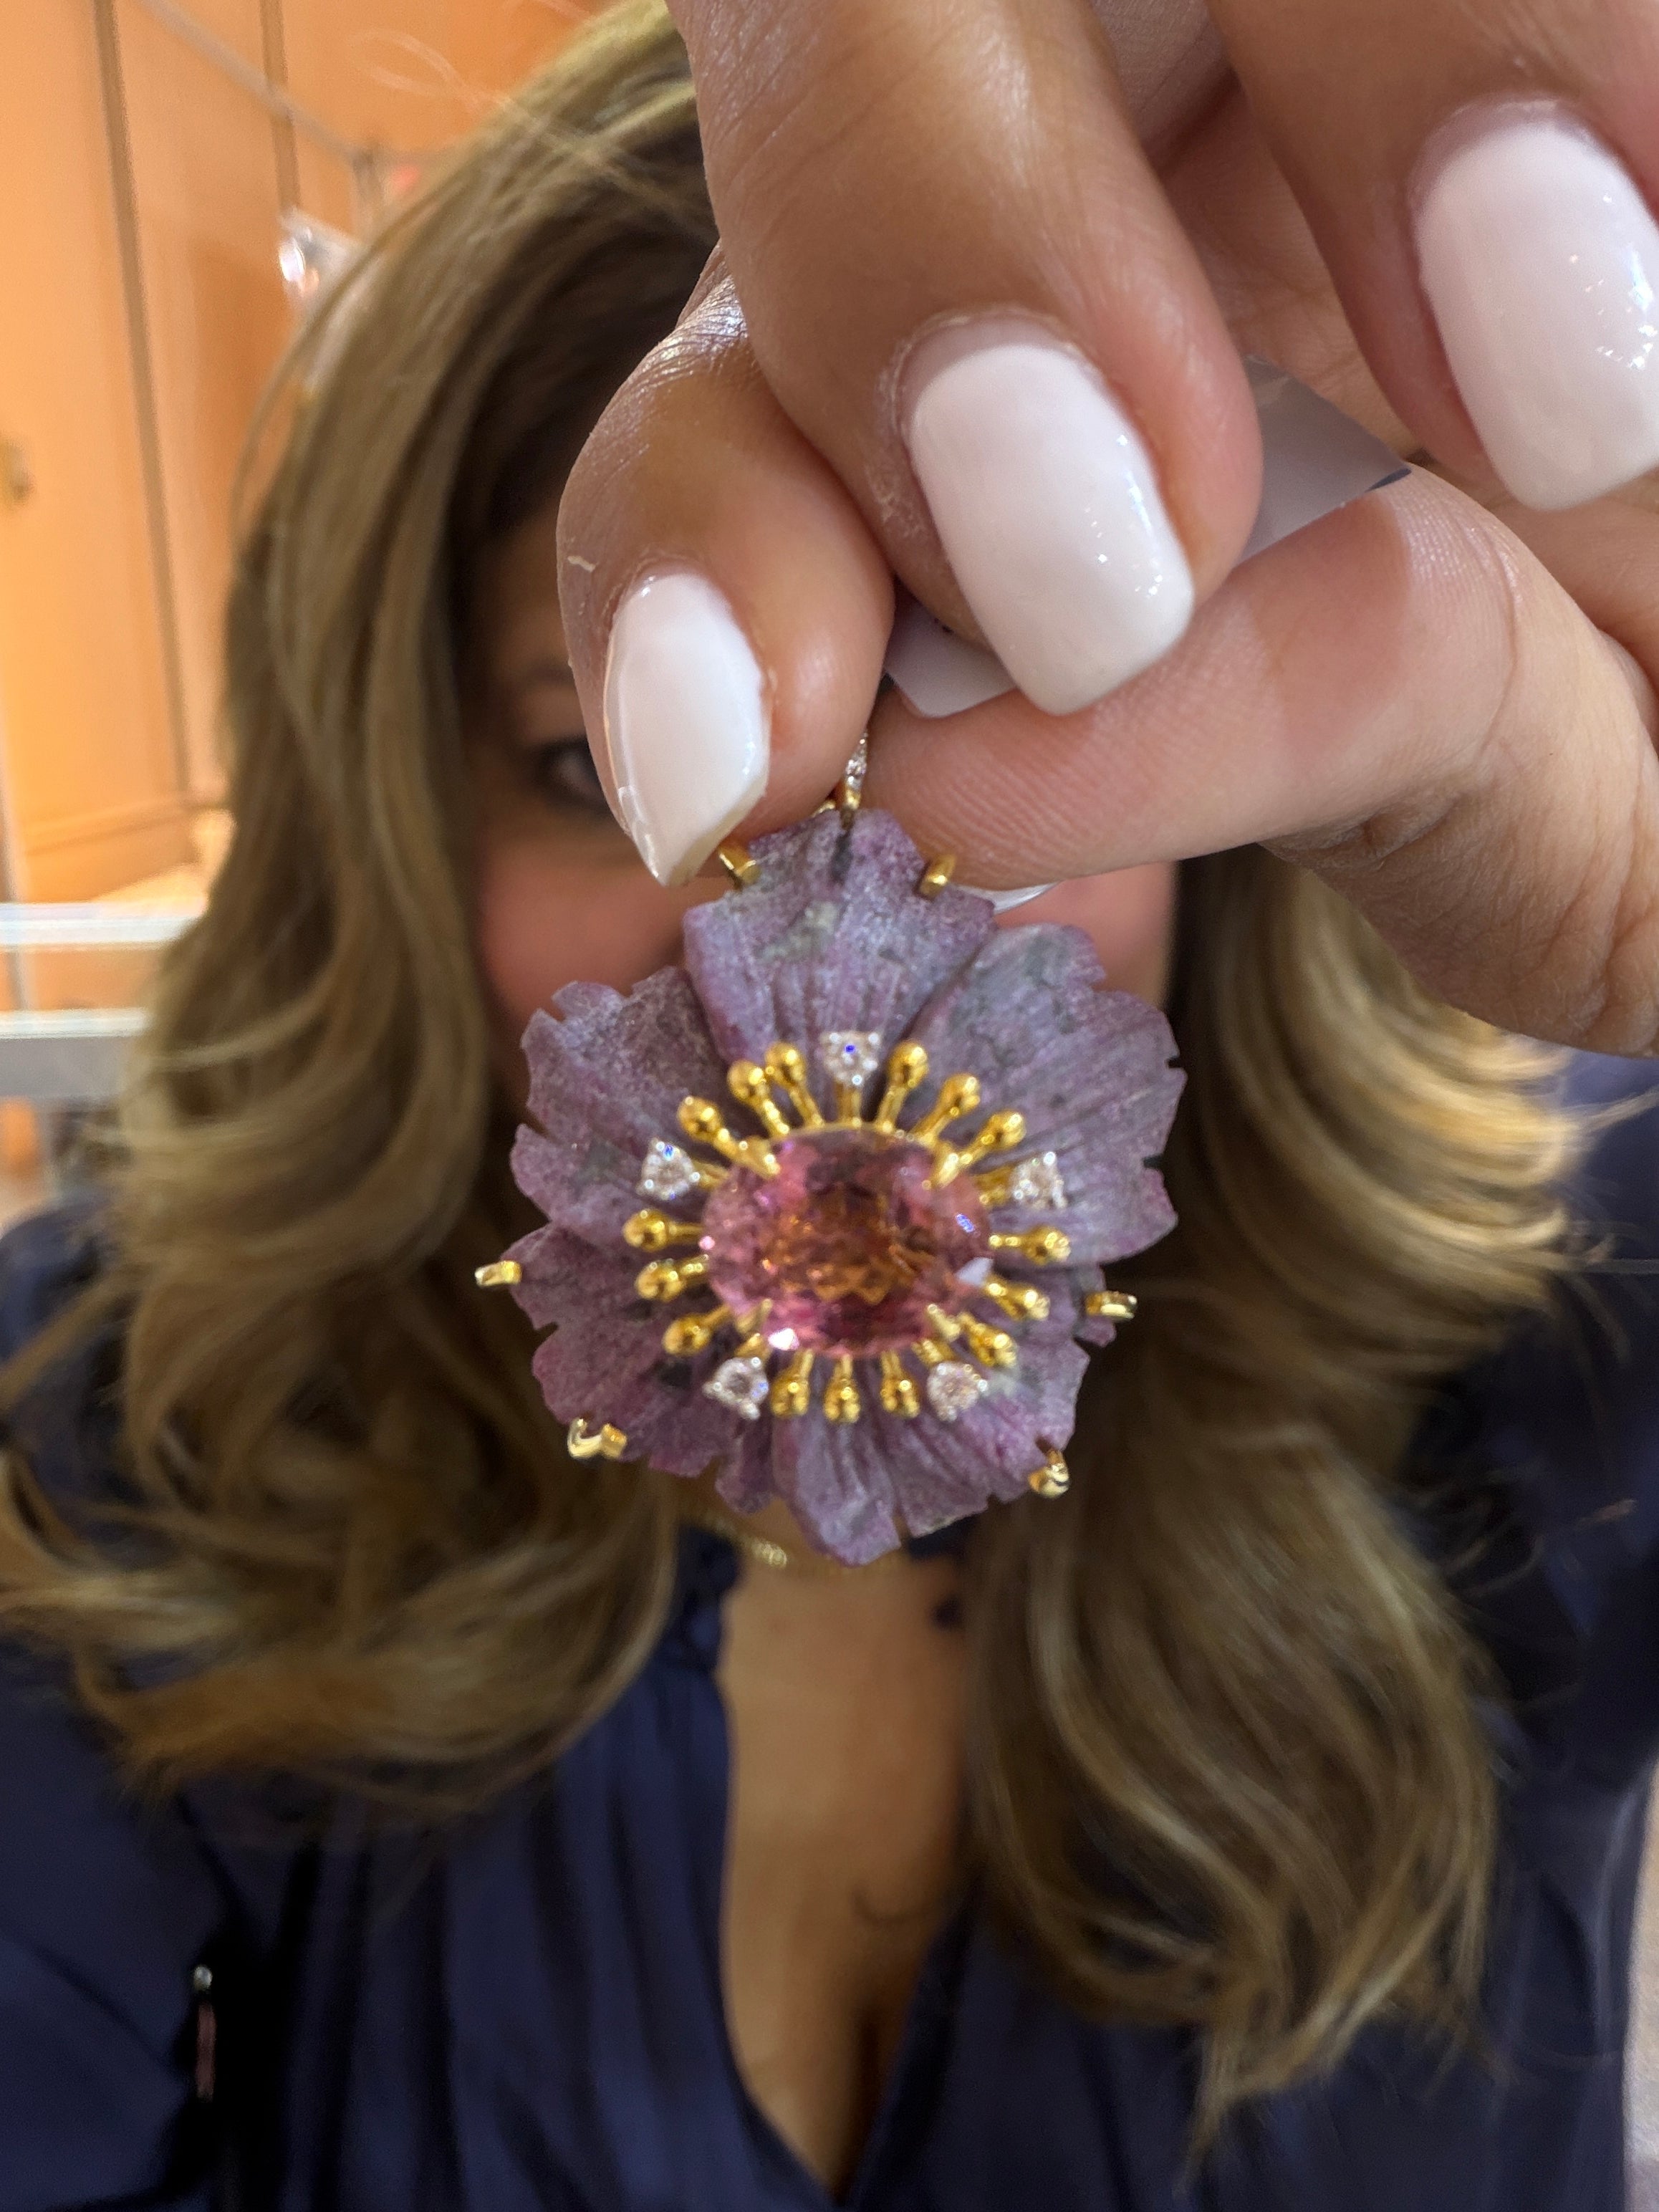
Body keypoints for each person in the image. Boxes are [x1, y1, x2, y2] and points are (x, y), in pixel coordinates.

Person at [1, 4, 1657, 2208]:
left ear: (1233, 790)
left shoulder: (1553, 1347)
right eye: (598, 765)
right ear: (394, 816)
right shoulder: (120, 1441)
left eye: (995, 694)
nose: (788, 943)